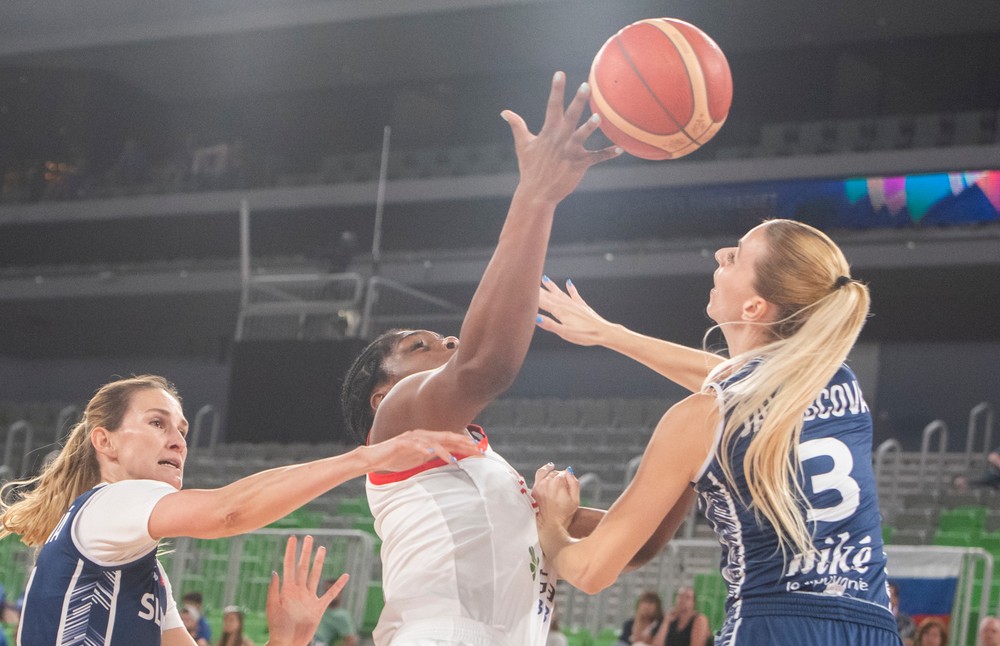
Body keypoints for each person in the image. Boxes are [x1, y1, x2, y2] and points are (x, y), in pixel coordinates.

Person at [338, 72, 692, 646]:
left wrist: (701, 449)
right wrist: (537, 196)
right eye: (418, 346)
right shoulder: (396, 425)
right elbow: (484, 365)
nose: (446, 342)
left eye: (443, 338)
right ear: (383, 395)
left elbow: (639, 541)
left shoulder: (496, 482)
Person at [532, 219, 900, 645]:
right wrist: (611, 334)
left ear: (753, 308)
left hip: (771, 628)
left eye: (735, 257)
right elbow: (737, 380)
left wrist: (552, 529)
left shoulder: (701, 418)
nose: (719, 256)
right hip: (873, 627)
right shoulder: (838, 382)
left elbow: (593, 570)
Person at [0, 374, 478, 645]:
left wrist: (285, 639)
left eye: (183, 429)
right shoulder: (110, 502)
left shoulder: (143, 575)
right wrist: (365, 457)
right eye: (156, 422)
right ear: (104, 441)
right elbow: (228, 513)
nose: (177, 438)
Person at [312, 582, 358, 646]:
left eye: (335, 592)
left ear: (341, 593)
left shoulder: (342, 616)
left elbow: (351, 640)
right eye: (327, 591)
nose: (330, 595)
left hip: (318, 641)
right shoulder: (316, 608)